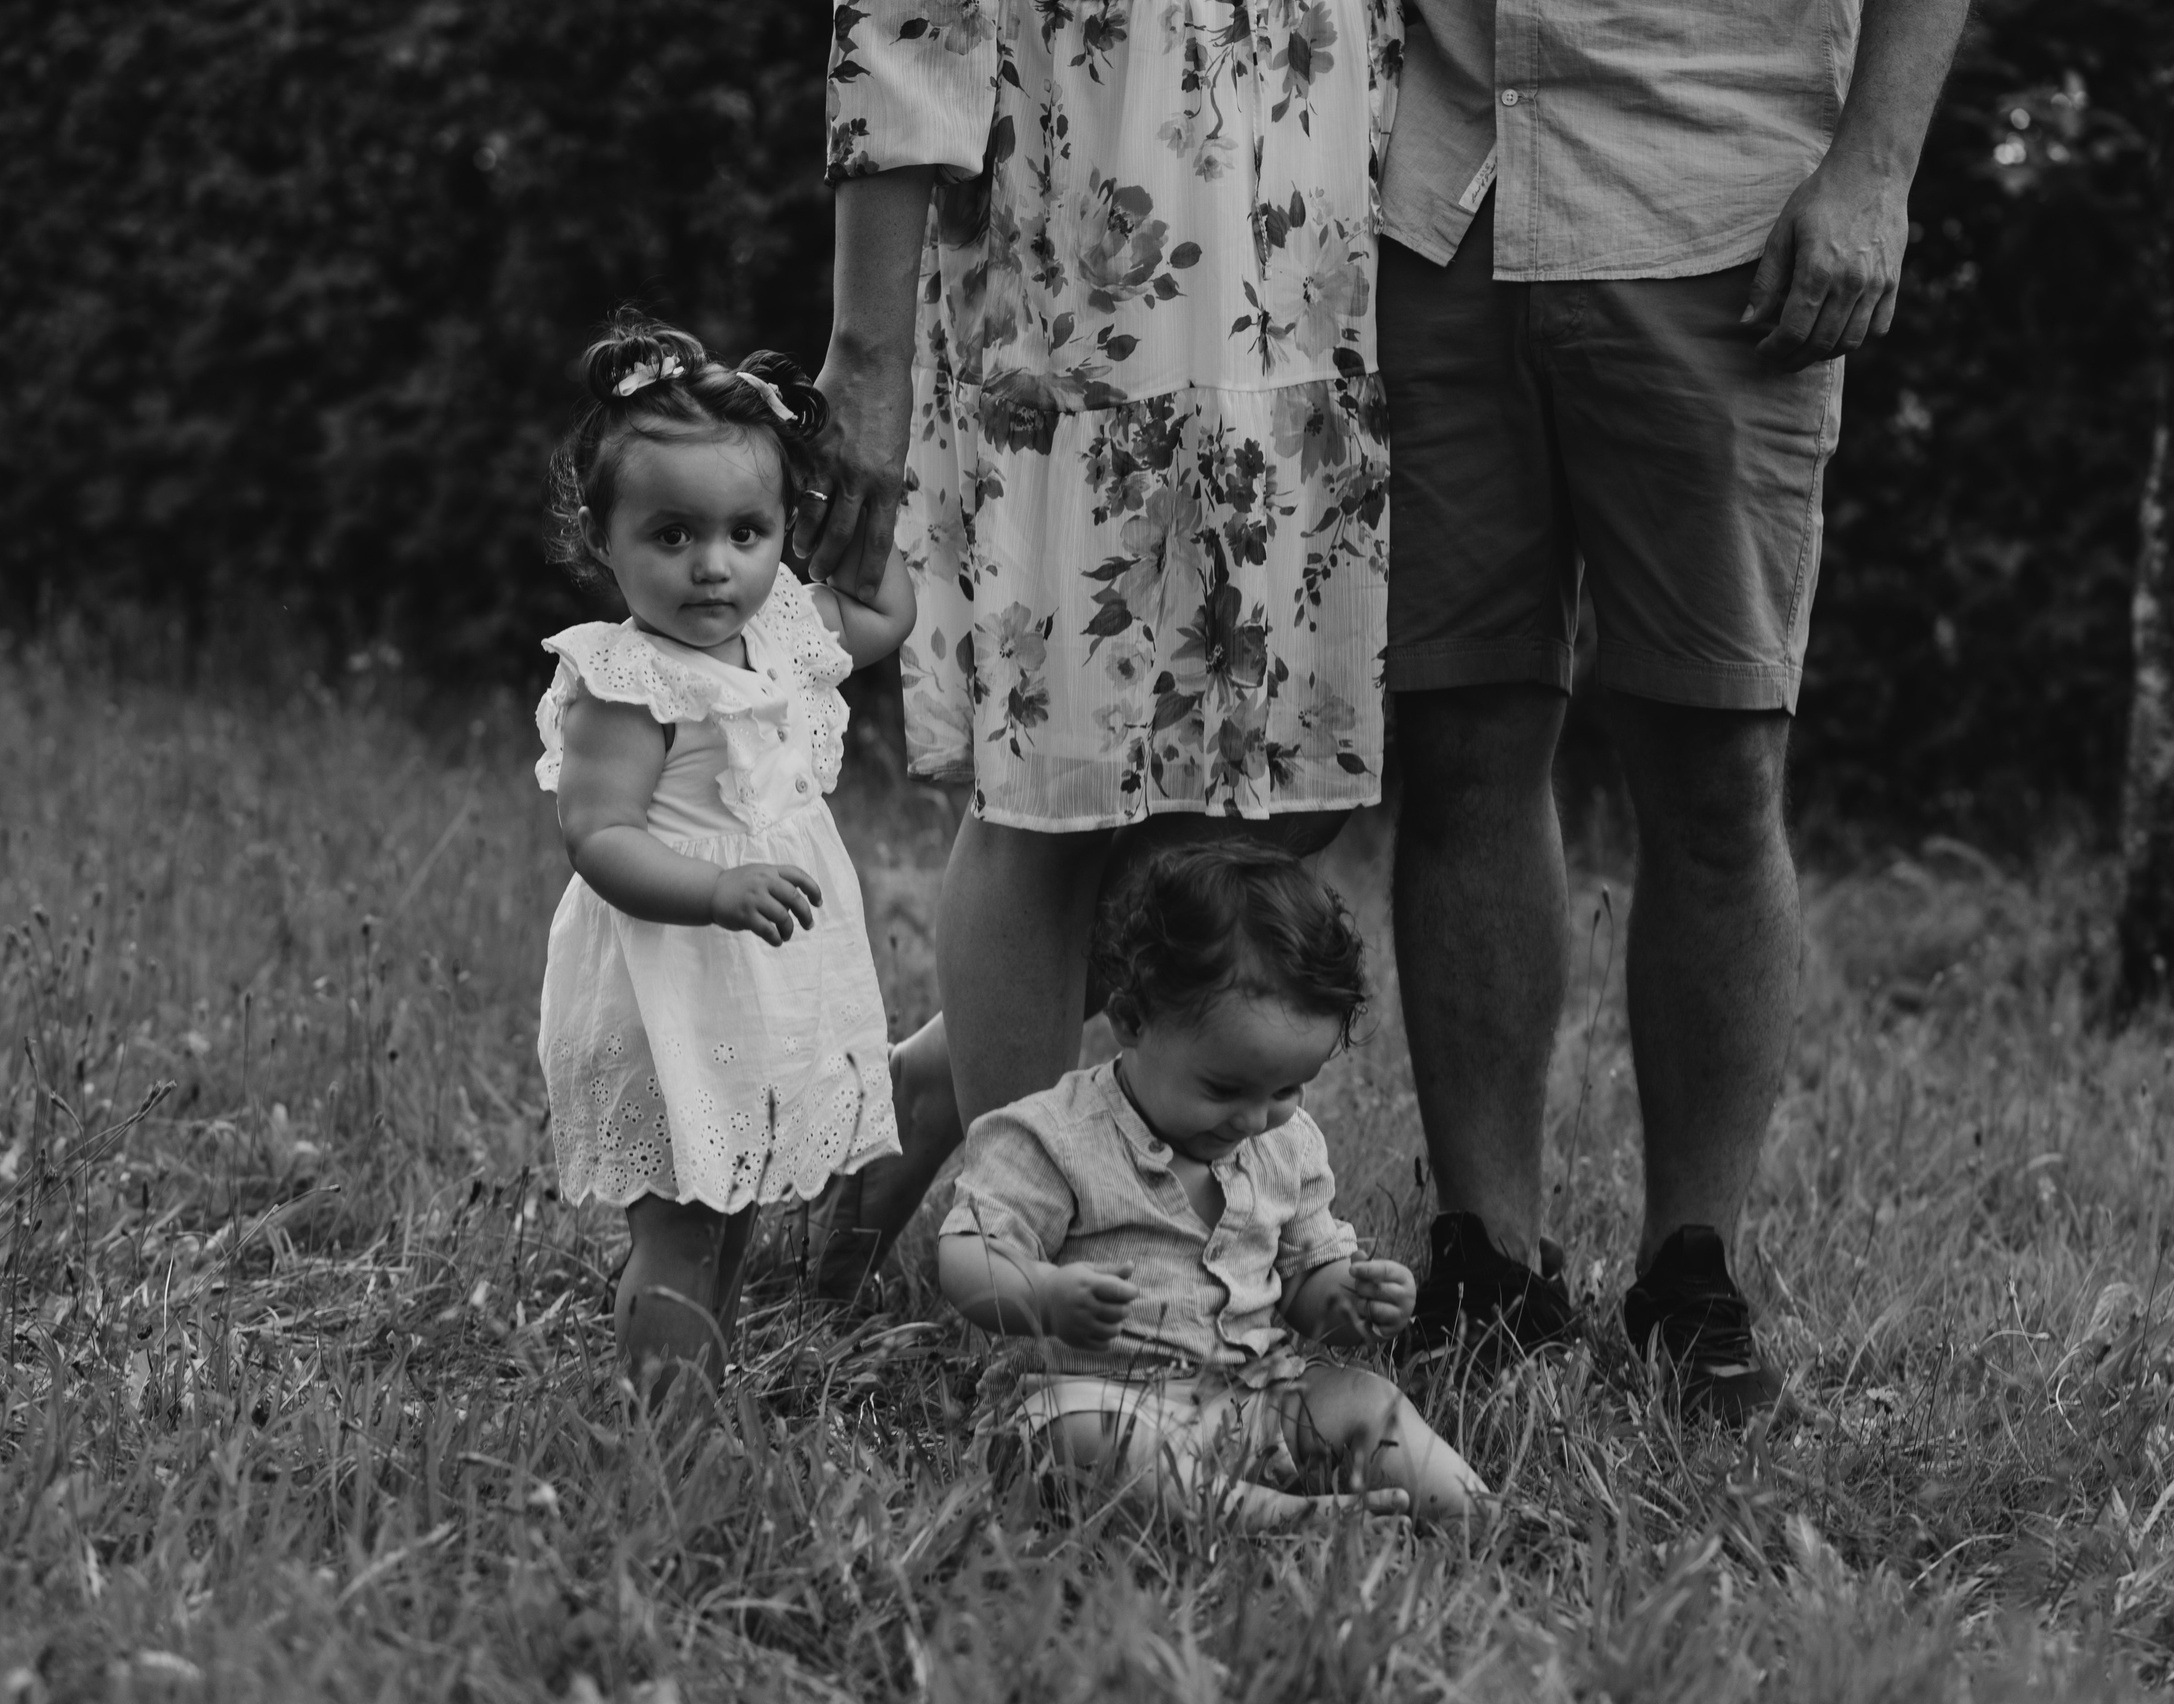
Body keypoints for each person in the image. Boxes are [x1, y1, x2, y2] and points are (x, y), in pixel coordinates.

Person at [1377, 0, 1973, 1420]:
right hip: (1436, 197)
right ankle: (1488, 1267)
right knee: (1459, 742)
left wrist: (1876, 170)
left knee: (1713, 767)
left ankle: (1689, 1274)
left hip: (1721, 206)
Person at [792, 0, 1403, 1278]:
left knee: (1269, 791)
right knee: (1054, 784)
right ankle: (1027, 1250)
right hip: (1084, 228)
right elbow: (906, 24)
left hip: (1295, 238)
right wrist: (866, 348)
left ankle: (921, 1096)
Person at [536, 316, 918, 1400]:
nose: (714, 566)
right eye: (672, 536)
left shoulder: (782, 627)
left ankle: (697, 1375)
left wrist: (853, 498)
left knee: (732, 1195)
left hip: (758, 982)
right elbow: (597, 835)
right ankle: (672, 1426)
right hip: (676, 981)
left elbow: (888, 608)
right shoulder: (628, 679)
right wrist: (715, 888)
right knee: (684, 1219)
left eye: (746, 532)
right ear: (601, 538)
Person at [938, 844, 1488, 1527]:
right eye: (1225, 1088)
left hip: (1256, 1400)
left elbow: (1309, 1291)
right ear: (1132, 1021)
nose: (1256, 1118)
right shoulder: (1052, 1135)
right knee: (1078, 1439)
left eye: (1287, 1088)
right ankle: (1278, 1520)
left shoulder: (1285, 1143)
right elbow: (965, 1254)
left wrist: (1352, 1299)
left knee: (1365, 1401)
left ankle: (1479, 1513)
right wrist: (1042, 1298)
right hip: (1101, 1397)